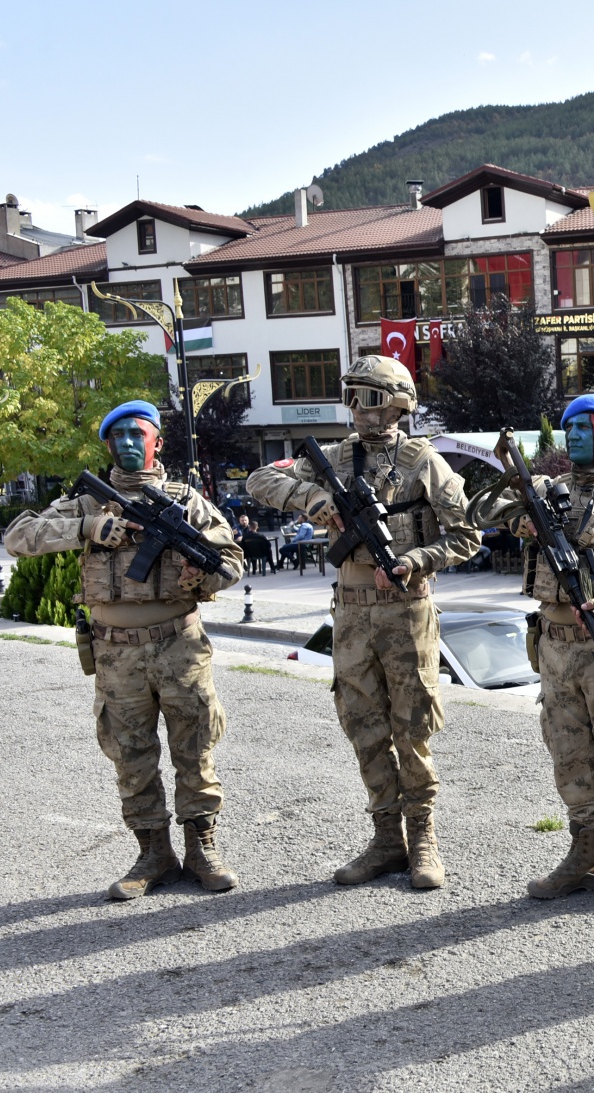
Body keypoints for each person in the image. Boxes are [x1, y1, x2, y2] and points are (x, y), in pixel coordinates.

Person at [247, 355, 480, 890]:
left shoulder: (425, 462)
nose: (357, 408)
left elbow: (466, 536)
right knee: (364, 726)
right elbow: (261, 480)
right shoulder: (331, 458)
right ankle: (386, 839)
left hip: (406, 609)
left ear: (398, 403)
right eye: (350, 396)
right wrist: (313, 497)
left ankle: (422, 837)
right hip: (351, 613)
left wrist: (416, 560)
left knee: (412, 728)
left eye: (369, 397)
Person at [4, 400, 244, 900]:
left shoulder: (187, 501)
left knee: (195, 750)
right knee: (130, 756)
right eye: (118, 437)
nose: (129, 443)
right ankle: (153, 854)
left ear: (158, 441)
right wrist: (87, 528)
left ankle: (202, 850)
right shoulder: (89, 503)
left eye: (138, 434)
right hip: (115, 654)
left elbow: (231, 561)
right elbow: (18, 537)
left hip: (179, 646)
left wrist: (202, 576)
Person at [470, 393, 594, 911]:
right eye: (570, 428)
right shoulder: (547, 490)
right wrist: (516, 506)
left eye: (586, 426)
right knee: (568, 753)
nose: (575, 435)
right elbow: (480, 511)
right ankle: (586, 857)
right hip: (555, 646)